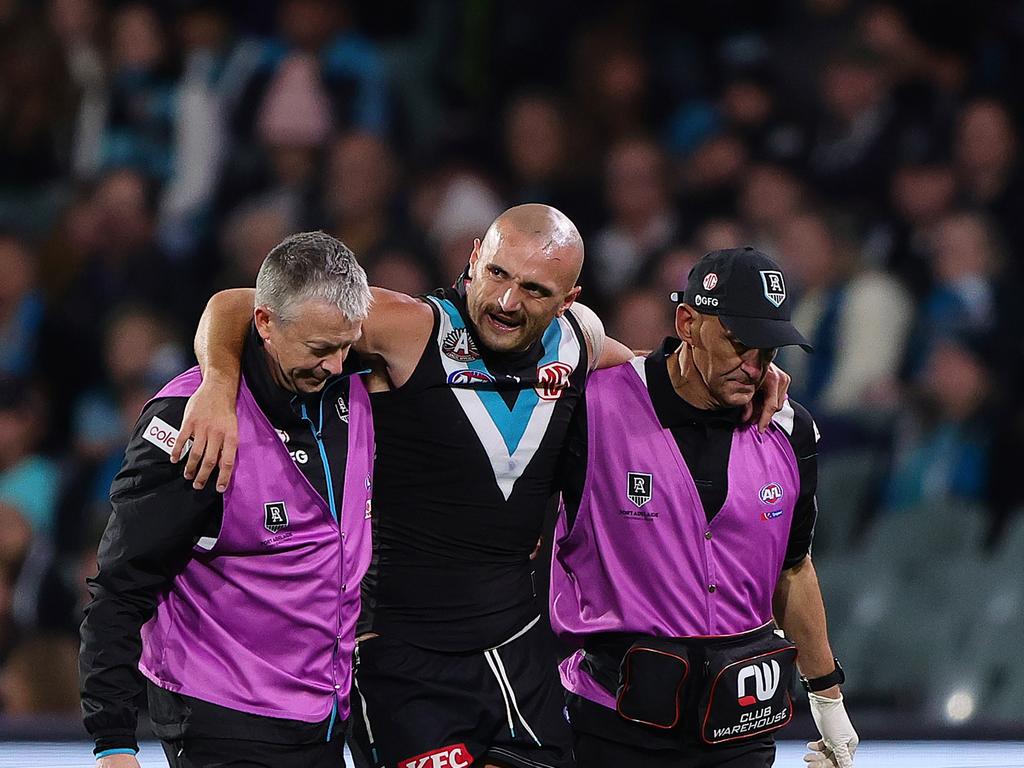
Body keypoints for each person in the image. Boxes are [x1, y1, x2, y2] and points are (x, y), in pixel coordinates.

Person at [180, 205, 789, 768]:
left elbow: (656, 377)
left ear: (568, 298)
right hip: (401, 649)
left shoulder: (576, 340)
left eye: (534, 289)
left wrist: (748, 372)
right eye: (497, 272)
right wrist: (215, 384)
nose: (505, 299)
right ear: (473, 258)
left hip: (517, 646)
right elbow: (241, 303)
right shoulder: (409, 328)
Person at [551, 247, 858, 768]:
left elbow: (795, 568)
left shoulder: (792, 430)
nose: (755, 366)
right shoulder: (591, 408)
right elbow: (534, 331)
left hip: (740, 728)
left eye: (769, 349)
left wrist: (827, 698)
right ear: (688, 323)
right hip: (614, 727)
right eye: (739, 343)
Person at [79, 232, 375, 768]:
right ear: (264, 324)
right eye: (318, 350)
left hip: (326, 718)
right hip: (223, 719)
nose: (336, 365)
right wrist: (114, 740)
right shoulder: (190, 423)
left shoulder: (350, 382)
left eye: (345, 346)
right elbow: (121, 585)